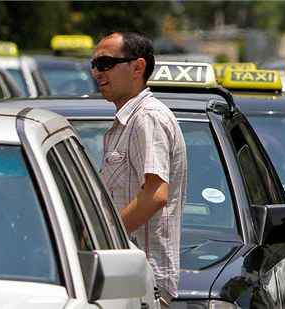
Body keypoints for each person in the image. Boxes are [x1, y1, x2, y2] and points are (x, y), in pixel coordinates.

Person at [92, 29, 187, 308]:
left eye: (106, 63)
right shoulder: (127, 121)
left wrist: (105, 238)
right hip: (129, 277)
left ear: (137, 67)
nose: (97, 72)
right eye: (95, 65)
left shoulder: (147, 118)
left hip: (144, 281)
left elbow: (156, 195)